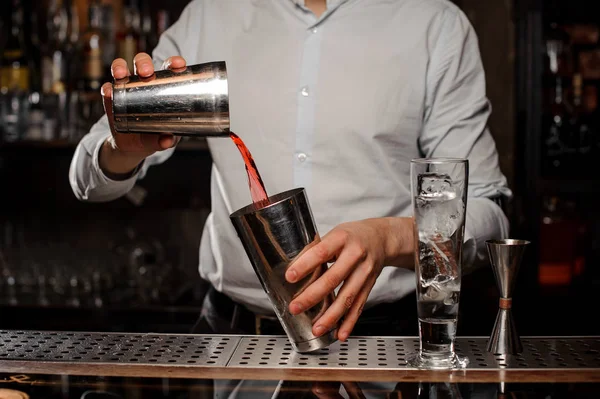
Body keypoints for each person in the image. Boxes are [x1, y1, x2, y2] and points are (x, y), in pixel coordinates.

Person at [69, 0, 511, 342]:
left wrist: (392, 238)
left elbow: (488, 215)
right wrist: (121, 147)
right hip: (234, 339)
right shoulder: (210, 14)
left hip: (381, 338)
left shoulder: (434, 22)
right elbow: (87, 178)